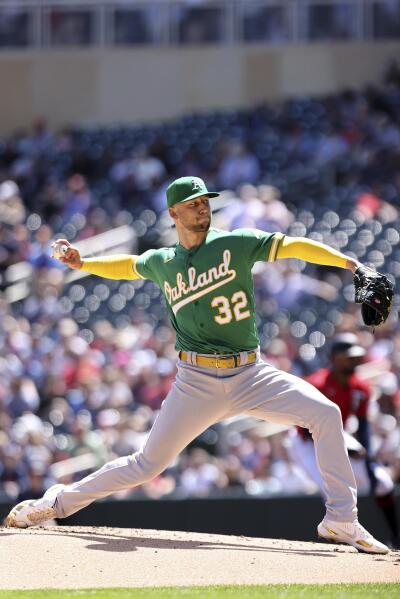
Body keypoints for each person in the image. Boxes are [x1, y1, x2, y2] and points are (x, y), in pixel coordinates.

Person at [6, 176, 390, 553]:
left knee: (325, 413)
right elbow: (128, 265)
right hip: (196, 381)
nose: (202, 207)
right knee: (146, 465)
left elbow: (293, 246)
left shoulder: (235, 242)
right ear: (173, 212)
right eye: (193, 204)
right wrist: (84, 262)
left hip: (251, 373)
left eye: (205, 201)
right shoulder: (163, 261)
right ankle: (56, 504)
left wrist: (352, 264)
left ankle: (342, 519)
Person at [288, 333, 400, 549]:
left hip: (339, 435)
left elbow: (364, 427)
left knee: (383, 483)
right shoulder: (316, 383)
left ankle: (396, 538)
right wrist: (347, 448)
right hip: (304, 441)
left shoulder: (361, 387)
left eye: (356, 356)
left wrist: (369, 462)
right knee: (329, 485)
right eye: (348, 356)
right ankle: (339, 536)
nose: (355, 360)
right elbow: (304, 427)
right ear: (335, 358)